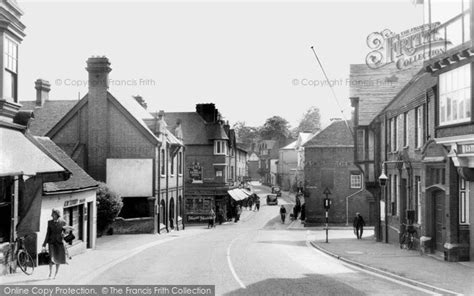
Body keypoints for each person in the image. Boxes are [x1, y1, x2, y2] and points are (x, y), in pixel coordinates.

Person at [42, 208, 73, 279]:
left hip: (59, 243)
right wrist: (44, 244)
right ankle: (50, 273)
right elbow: (48, 233)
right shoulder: (49, 222)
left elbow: (66, 231)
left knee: (58, 258)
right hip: (51, 242)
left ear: (56, 215)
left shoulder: (63, 222)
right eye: (52, 214)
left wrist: (64, 233)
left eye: (53, 214)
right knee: (51, 258)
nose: (51, 215)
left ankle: (56, 273)